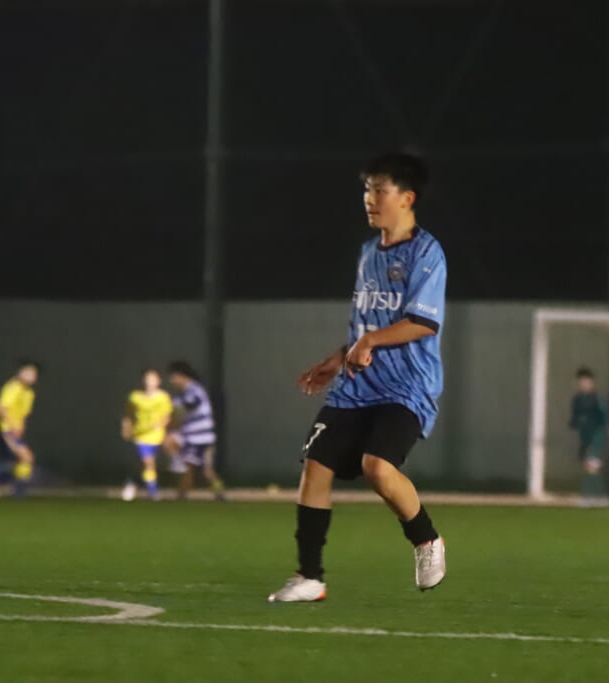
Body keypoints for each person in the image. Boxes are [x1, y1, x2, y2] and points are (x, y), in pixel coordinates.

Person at [267, 152, 447, 603]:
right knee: (316, 465)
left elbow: (423, 323)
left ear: (406, 198)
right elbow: (365, 325)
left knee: (377, 468)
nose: (369, 199)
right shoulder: (368, 253)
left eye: (379, 190)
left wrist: (368, 342)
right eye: (367, 190)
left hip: (406, 386)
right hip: (356, 386)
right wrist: (338, 358)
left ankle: (427, 540)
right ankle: (309, 577)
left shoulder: (427, 252)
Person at [166, 361, 225, 501]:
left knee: (187, 467)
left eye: (173, 377)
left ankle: (181, 496)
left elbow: (186, 407)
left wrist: (173, 419)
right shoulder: (191, 392)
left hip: (198, 438)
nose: (172, 381)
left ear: (181, 375)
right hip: (205, 437)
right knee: (206, 470)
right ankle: (219, 493)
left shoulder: (193, 390)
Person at [568, 367, 609, 507]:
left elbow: (607, 418)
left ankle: (592, 497)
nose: (584, 384)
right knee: (589, 467)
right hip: (585, 437)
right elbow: (574, 419)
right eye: (581, 382)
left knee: (592, 466)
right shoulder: (577, 399)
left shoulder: (598, 399)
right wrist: (576, 423)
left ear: (592, 382)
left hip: (597, 435)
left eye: (586, 381)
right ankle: (597, 497)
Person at [0, 360, 39, 498]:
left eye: (33, 374)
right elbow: (1, 408)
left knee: (13, 460)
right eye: (28, 373)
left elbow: (23, 415)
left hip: (10, 430)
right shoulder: (14, 387)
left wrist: (20, 428)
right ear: (20, 373)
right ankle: (18, 491)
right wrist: (12, 426)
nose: (31, 376)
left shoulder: (29, 393)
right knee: (25, 457)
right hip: (3, 429)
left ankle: (9, 488)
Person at [121, 368, 173, 501]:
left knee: (147, 465)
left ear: (158, 381)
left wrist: (160, 425)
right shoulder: (135, 397)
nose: (149, 382)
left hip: (157, 435)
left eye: (152, 379)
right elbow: (129, 414)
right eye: (147, 379)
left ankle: (132, 483)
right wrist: (126, 428)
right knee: (148, 462)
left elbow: (167, 416)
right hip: (141, 435)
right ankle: (153, 492)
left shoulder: (163, 397)